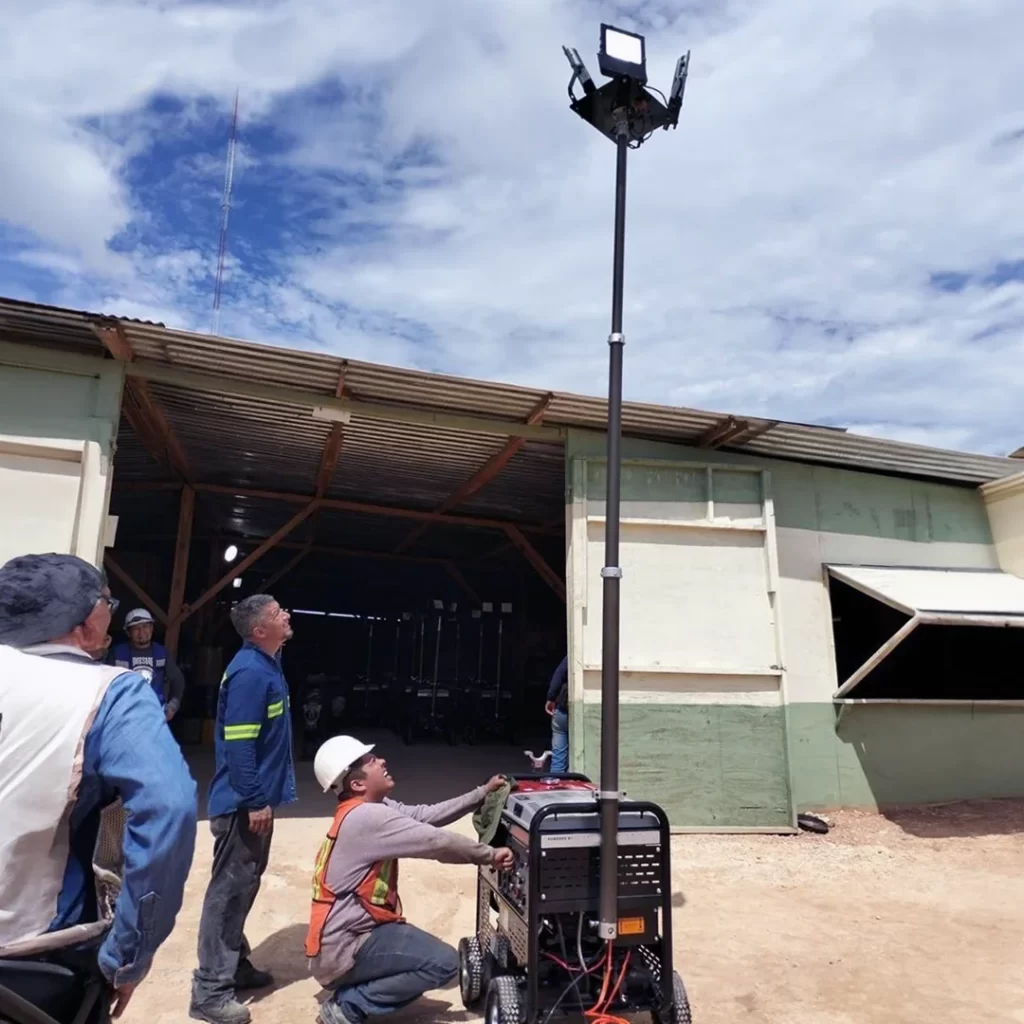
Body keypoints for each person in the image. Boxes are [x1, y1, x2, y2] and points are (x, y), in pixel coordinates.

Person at [0, 553, 198, 1021]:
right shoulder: (111, 690)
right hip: (33, 959)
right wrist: (129, 954)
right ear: (89, 620)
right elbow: (169, 808)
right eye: (109, 602)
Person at [306, 735, 515, 1024]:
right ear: (357, 784)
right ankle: (347, 1006)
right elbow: (436, 842)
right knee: (443, 964)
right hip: (345, 950)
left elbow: (424, 817)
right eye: (371, 761)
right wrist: (490, 855)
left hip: (346, 943)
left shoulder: (370, 809)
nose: (382, 761)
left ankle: (354, 990)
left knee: (431, 958)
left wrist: (481, 793)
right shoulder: (366, 818)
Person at [190, 594, 297, 1024]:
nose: (286, 614)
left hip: (250, 801)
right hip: (241, 805)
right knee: (229, 893)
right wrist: (254, 798)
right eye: (276, 613)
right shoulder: (251, 672)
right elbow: (239, 745)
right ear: (259, 630)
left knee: (243, 886)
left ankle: (233, 965)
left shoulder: (267, 663)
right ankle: (210, 992)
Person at [110, 607, 186, 721]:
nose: (141, 632)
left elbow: (178, 679)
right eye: (136, 628)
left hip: (154, 715)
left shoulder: (161, 653)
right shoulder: (117, 653)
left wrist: (173, 706)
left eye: (145, 626)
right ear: (128, 632)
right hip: (124, 716)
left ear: (151, 628)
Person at [544, 655, 569, 774]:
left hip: (562, 708)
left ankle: (556, 781)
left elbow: (558, 676)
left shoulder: (571, 657)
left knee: (558, 758)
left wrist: (551, 698)